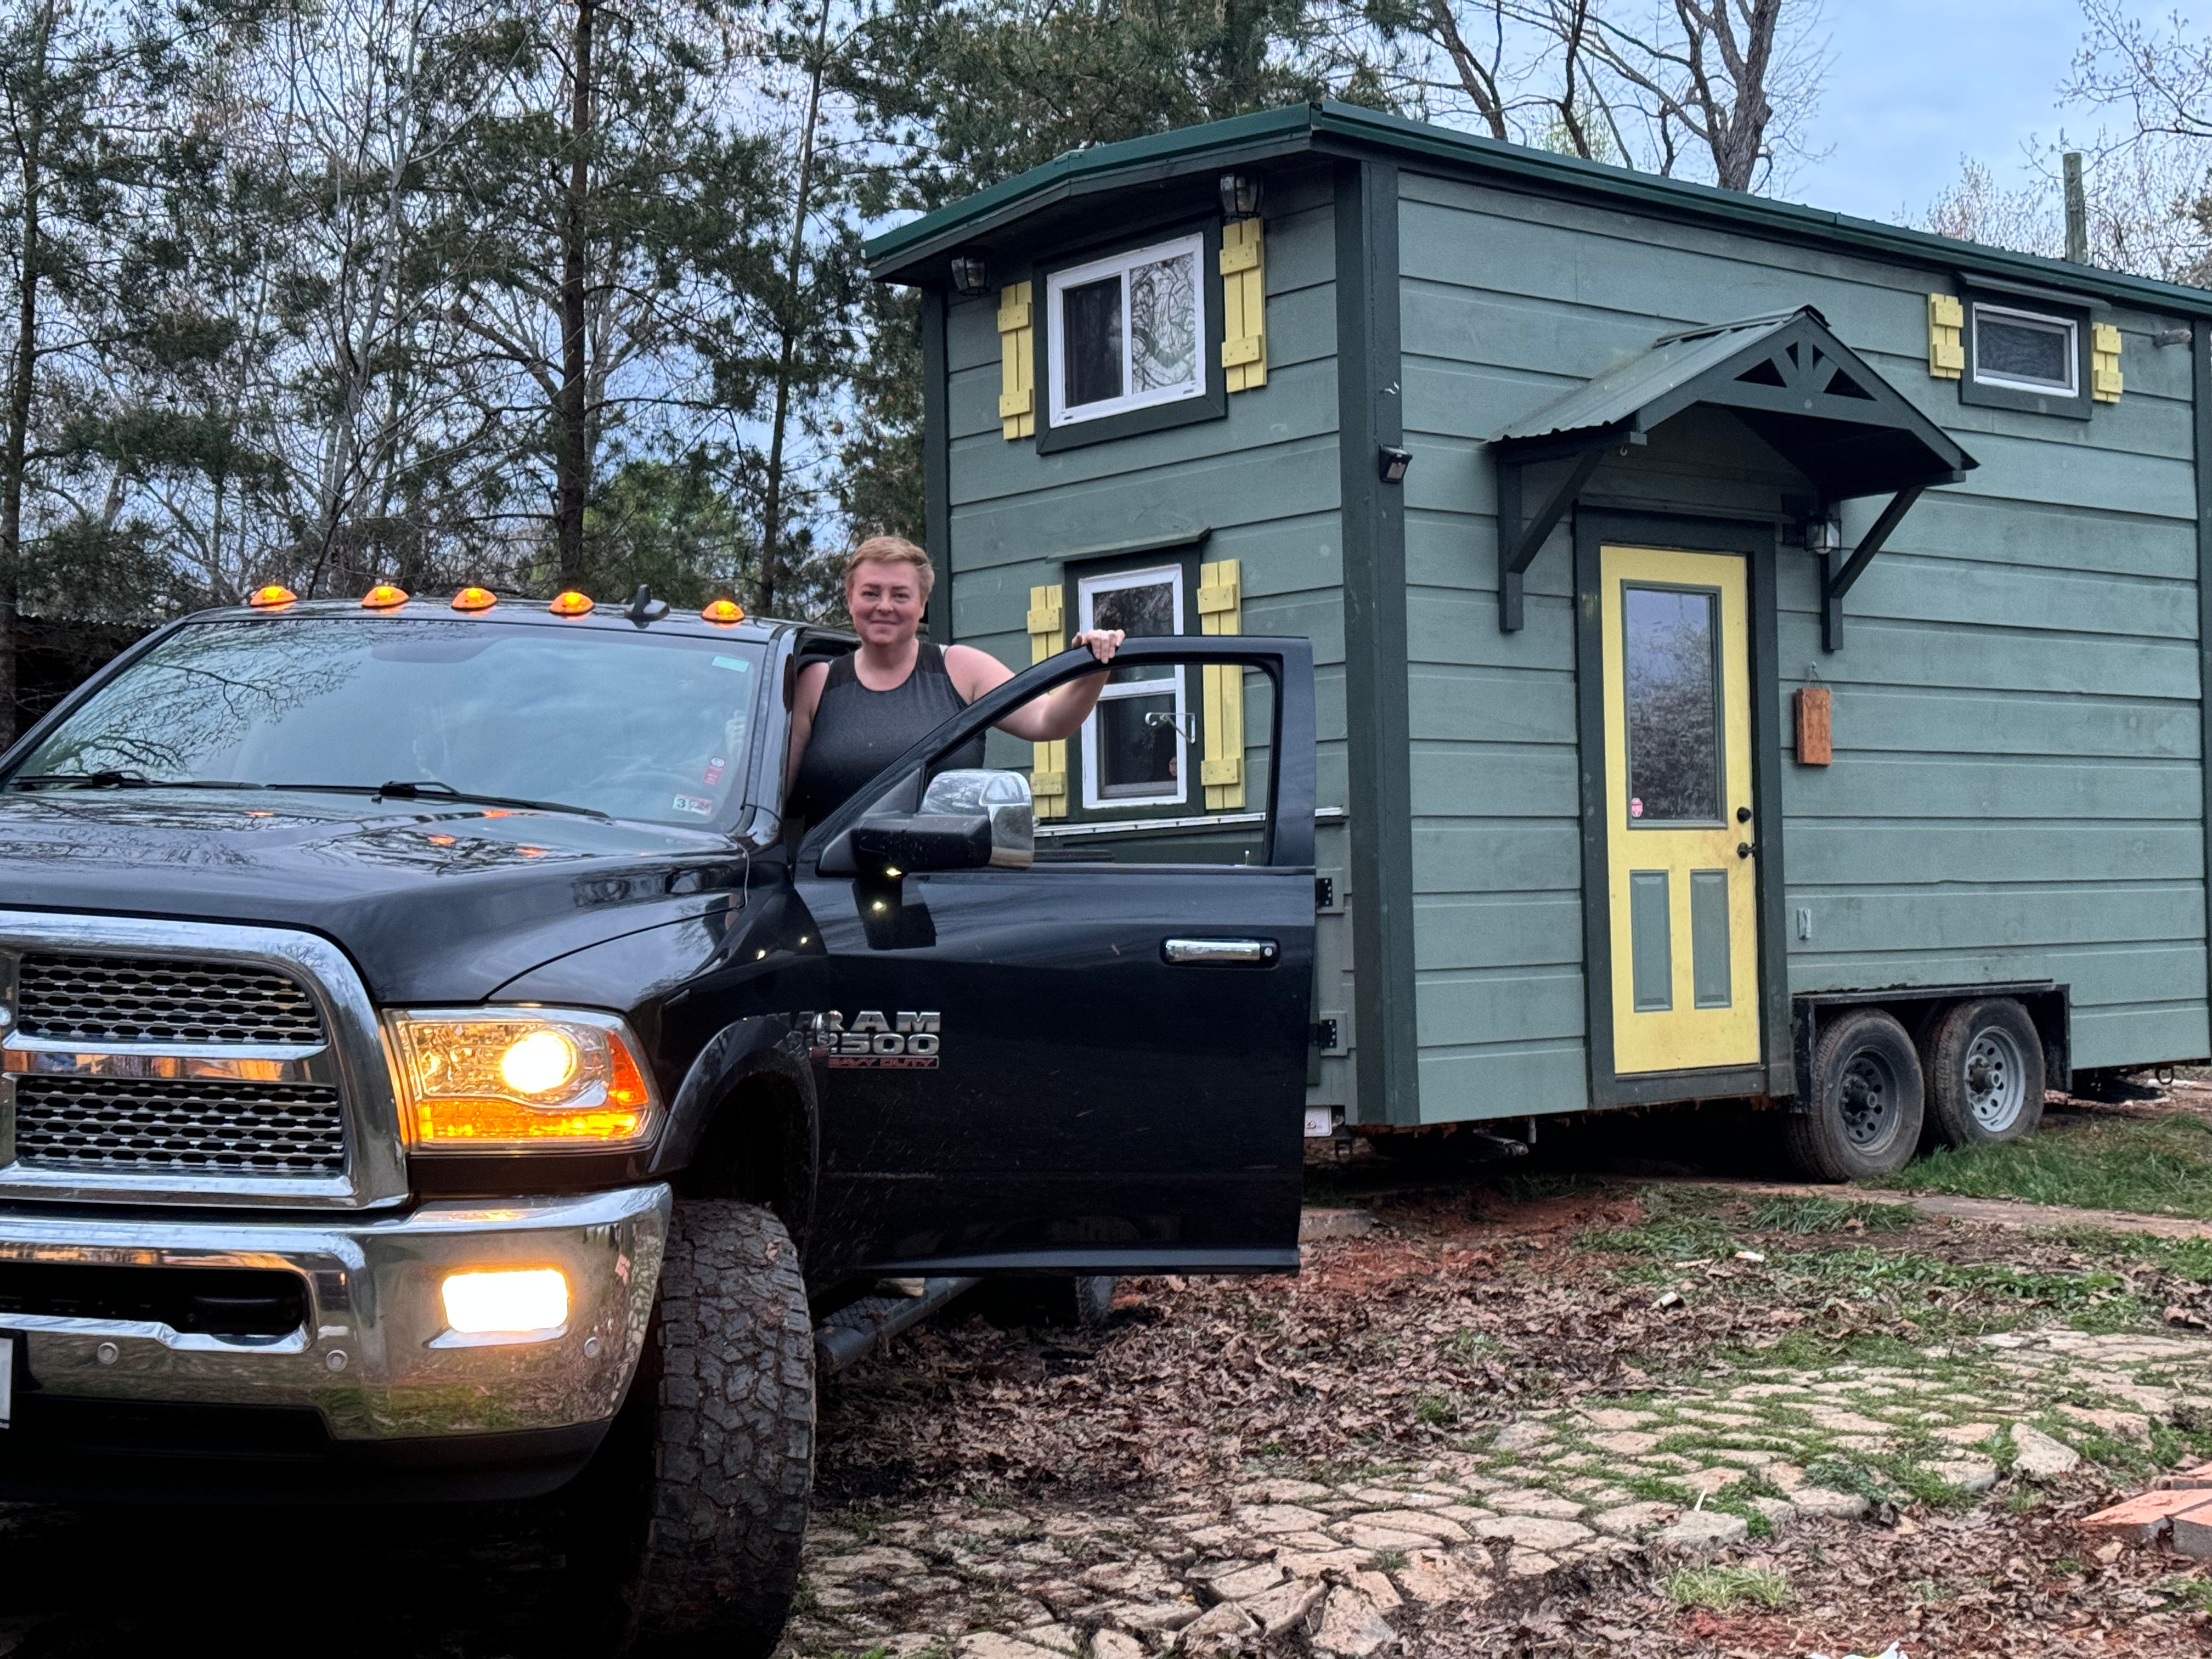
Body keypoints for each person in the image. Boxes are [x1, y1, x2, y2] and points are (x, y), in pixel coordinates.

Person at [786, 535, 1123, 822]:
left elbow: (1048, 720)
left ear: (922, 604)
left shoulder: (962, 669)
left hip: (947, 887)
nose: (885, 606)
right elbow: (771, 792)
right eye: (871, 593)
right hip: (828, 890)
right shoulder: (815, 683)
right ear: (850, 600)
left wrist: (1093, 667)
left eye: (900, 595)